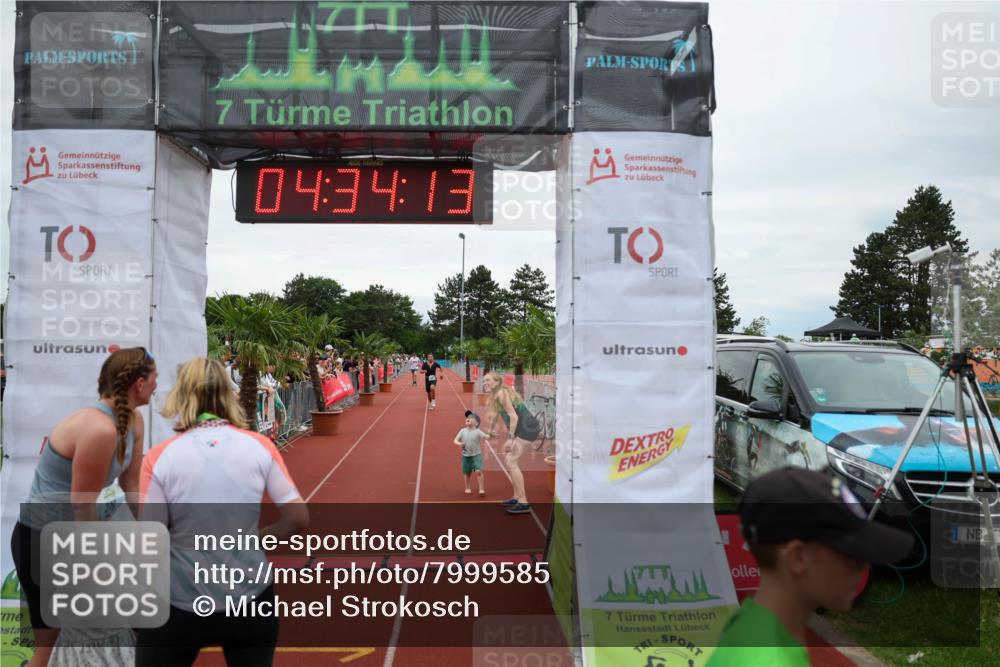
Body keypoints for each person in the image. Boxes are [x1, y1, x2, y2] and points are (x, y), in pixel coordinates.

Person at [136, 357, 308, 667]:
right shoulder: (260, 446)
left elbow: (153, 538)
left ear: (182, 394)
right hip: (250, 598)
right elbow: (298, 519)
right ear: (228, 393)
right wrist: (256, 539)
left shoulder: (159, 457)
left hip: (180, 601)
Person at [10, 347, 157, 667]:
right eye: (154, 377)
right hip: (43, 540)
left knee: (63, 648)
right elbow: (82, 507)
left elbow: (131, 485)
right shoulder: (98, 429)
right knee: (63, 645)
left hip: (66, 537)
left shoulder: (134, 421)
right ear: (140, 385)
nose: (158, 384)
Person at [706, 468, 914, 667]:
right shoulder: (767, 660)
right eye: (852, 553)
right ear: (798, 557)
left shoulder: (755, 621)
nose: (863, 567)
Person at [482, 371, 540, 515]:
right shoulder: (496, 395)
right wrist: (489, 431)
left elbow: (513, 416)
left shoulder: (501, 393)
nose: (485, 383)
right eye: (484, 381)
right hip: (524, 428)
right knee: (510, 460)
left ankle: (523, 502)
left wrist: (509, 438)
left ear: (497, 383)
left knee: (511, 461)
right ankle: (516, 497)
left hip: (528, 428)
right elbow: (495, 415)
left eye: (488, 380)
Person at [454, 410, 489, 496]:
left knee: (478, 471)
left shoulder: (478, 431)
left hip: (476, 455)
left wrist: (491, 435)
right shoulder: (462, 431)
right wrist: (459, 444)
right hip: (466, 456)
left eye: (471, 418)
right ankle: (467, 487)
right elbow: (455, 440)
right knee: (467, 473)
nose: (468, 418)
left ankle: (481, 489)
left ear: (476, 423)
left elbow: (486, 437)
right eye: (467, 417)